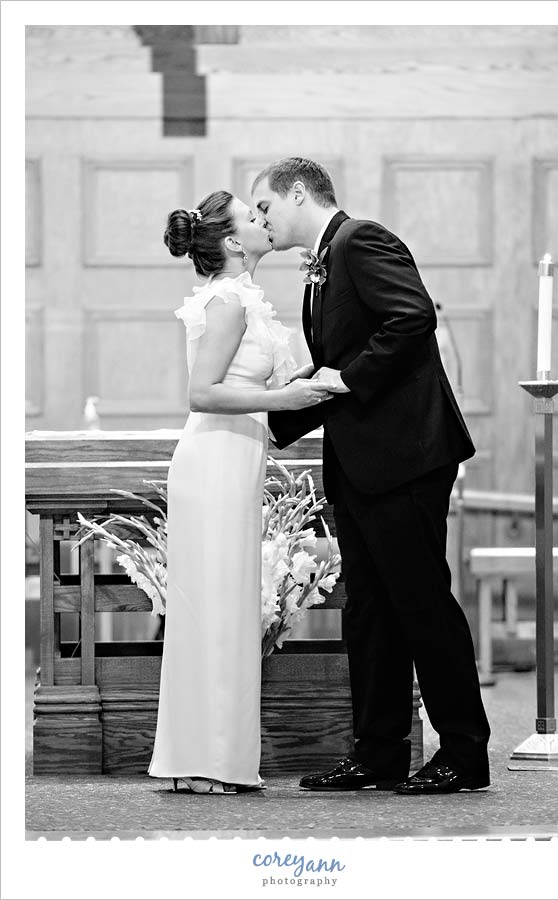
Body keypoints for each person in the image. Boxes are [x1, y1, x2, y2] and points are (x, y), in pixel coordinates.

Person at [252, 158, 491, 795]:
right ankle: (377, 753)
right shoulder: (324, 263)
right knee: (369, 614)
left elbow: (411, 319)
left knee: (421, 605)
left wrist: (344, 377)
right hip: (360, 462)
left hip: (406, 459)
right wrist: (276, 417)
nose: (260, 222)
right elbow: (339, 366)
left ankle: (464, 754)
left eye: (265, 209)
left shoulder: (362, 240)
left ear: (298, 193)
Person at [148, 190, 333, 794]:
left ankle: (203, 759)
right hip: (214, 462)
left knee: (225, 609)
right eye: (252, 219)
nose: (263, 221)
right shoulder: (227, 300)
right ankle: (204, 761)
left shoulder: (242, 298)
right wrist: (286, 399)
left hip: (235, 458)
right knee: (216, 611)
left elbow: (254, 381)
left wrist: (314, 380)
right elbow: (202, 392)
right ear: (231, 242)